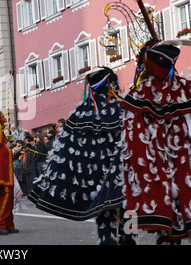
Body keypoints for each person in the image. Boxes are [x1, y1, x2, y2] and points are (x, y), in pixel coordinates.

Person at [29, 67, 135, 245]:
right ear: (111, 84)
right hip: (123, 178)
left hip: (95, 182)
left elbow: (63, 152)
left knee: (105, 220)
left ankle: (108, 241)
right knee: (130, 216)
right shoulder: (124, 109)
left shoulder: (79, 114)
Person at [120, 43, 191, 244]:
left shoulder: (136, 95)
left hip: (156, 165)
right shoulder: (189, 89)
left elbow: (128, 138)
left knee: (170, 214)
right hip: (186, 162)